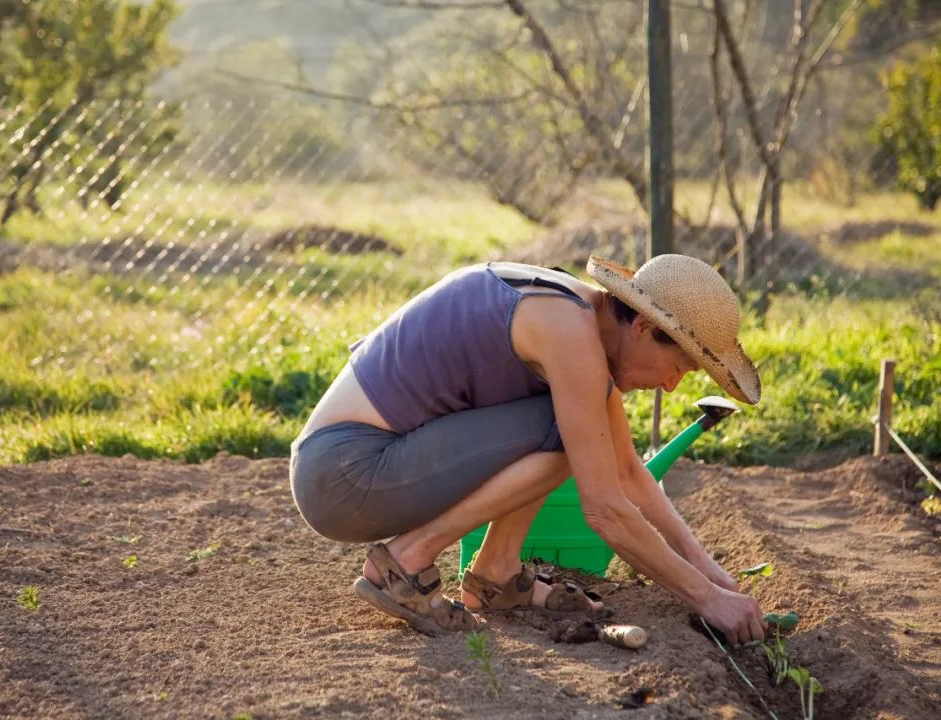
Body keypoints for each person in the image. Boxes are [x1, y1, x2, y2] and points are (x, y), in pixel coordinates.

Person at [289, 254, 767, 643]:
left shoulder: (575, 314)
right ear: (642, 326)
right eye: (677, 367)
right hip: (344, 475)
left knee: (573, 427)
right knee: (566, 432)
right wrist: (707, 601)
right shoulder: (570, 335)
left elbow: (627, 470)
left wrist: (711, 573)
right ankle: (406, 561)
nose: (670, 384)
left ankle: (496, 573)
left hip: (353, 467)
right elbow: (606, 509)